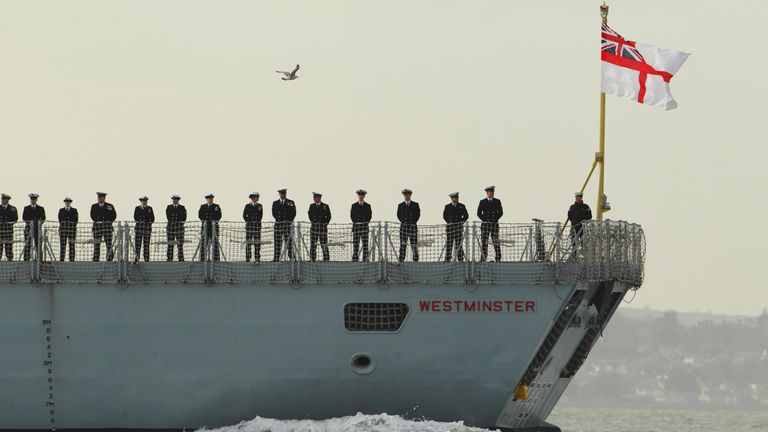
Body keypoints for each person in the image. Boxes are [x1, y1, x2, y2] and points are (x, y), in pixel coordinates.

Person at [477, 186, 503, 262]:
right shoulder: (482, 202)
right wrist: (485, 220)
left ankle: (498, 257)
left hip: (494, 225)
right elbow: (479, 213)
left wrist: (494, 220)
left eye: (492, 192)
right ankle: (483, 257)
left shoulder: (497, 201)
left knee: (495, 241)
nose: (491, 194)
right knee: (484, 242)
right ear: (487, 193)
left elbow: (500, 212)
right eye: (489, 192)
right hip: (485, 225)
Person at [90, 192, 117, 261]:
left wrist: (107, 222)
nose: (99, 199)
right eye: (98, 197)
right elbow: (92, 215)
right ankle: (96, 258)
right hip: (97, 227)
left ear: (104, 198)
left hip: (107, 227)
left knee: (108, 243)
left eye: (100, 197)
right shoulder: (94, 206)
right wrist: (98, 222)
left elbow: (114, 216)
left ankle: (109, 258)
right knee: (96, 244)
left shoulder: (109, 206)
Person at [443, 192, 469, 262]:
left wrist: (460, 222)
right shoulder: (447, 206)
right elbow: (445, 216)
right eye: (455, 198)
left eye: (457, 197)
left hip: (458, 228)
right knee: (449, 243)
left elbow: (466, 216)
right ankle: (447, 258)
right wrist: (449, 222)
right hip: (450, 228)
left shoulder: (462, 206)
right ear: (452, 199)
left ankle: (460, 258)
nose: (456, 199)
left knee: (458, 243)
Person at [272, 189, 296, 261]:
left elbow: (293, 213)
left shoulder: (290, 202)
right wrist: (279, 221)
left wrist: (288, 222)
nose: (283, 195)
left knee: (289, 242)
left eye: (284, 194)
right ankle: (276, 257)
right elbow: (274, 213)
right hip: (278, 225)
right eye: (281, 194)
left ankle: (291, 257)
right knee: (277, 242)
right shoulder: (275, 203)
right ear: (279, 194)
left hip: (287, 225)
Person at [397, 189, 420, 262]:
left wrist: (412, 223)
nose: (406, 196)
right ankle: (401, 259)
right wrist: (404, 223)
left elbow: (417, 215)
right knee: (403, 244)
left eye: (408, 195)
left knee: (414, 244)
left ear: (410, 195)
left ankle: (415, 259)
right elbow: (399, 215)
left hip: (412, 227)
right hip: (404, 228)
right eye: (405, 195)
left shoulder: (415, 205)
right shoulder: (401, 205)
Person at [307, 192, 331, 262]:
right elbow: (310, 215)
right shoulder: (312, 206)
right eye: (314, 198)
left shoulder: (325, 206)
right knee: (313, 244)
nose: (315, 199)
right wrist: (314, 223)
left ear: (319, 198)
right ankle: (313, 258)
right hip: (314, 228)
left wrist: (324, 224)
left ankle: (326, 258)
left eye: (316, 198)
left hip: (322, 228)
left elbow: (329, 216)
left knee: (323, 243)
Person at [22, 193, 46, 261]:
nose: (33, 200)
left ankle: (39, 258)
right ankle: (26, 258)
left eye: (34, 199)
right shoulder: (26, 208)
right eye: (32, 199)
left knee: (38, 244)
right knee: (27, 244)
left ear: (36, 200)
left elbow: (43, 218)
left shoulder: (41, 208)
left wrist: (38, 223)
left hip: (37, 228)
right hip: (28, 228)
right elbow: (24, 217)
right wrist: (30, 223)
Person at [350, 189, 372, 262]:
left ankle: (365, 258)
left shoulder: (367, 206)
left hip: (364, 227)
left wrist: (364, 223)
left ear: (364, 196)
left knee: (365, 244)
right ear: (358, 196)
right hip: (356, 227)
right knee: (356, 244)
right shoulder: (354, 205)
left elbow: (369, 216)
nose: (361, 197)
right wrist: (357, 222)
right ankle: (355, 258)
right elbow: (352, 216)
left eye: (362, 195)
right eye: (360, 195)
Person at [198, 193, 222, 261]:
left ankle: (216, 258)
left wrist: (214, 221)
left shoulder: (216, 206)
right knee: (204, 242)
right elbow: (200, 215)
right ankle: (202, 258)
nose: (210, 199)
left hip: (213, 227)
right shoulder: (203, 207)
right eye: (208, 198)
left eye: (211, 198)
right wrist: (204, 221)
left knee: (215, 242)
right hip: (205, 226)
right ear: (206, 199)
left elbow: (219, 215)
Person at [133, 196, 155, 262]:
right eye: (143, 200)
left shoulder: (149, 208)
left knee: (146, 244)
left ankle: (146, 258)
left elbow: (152, 218)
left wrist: (147, 224)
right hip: (139, 229)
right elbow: (135, 217)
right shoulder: (137, 208)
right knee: (138, 244)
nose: (144, 201)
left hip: (147, 229)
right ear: (141, 201)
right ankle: (137, 258)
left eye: (145, 200)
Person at [243, 192, 263, 262]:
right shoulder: (247, 206)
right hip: (249, 227)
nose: (257, 198)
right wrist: (249, 221)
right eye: (257, 197)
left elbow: (260, 216)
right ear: (253, 198)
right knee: (248, 242)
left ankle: (257, 257)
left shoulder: (260, 206)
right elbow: (244, 215)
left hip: (257, 227)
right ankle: (248, 257)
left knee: (257, 242)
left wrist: (256, 222)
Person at [165, 194, 186, 261]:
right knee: (170, 243)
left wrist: (178, 223)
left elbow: (184, 218)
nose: (175, 200)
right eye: (174, 199)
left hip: (179, 227)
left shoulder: (182, 207)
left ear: (178, 200)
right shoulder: (169, 207)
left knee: (179, 244)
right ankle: (170, 258)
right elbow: (168, 217)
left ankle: (181, 258)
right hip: (171, 227)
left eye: (176, 199)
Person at [58, 197, 78, 262]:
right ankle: (62, 259)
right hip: (63, 230)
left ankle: (71, 259)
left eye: (68, 201)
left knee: (72, 245)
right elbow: (60, 219)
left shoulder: (74, 210)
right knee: (63, 245)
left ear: (70, 202)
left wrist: (71, 226)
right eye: (66, 201)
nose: (67, 203)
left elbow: (76, 220)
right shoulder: (61, 210)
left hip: (71, 230)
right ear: (65, 202)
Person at [0, 194, 18, 261]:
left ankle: (9, 258)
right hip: (0, 229)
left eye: (4, 199)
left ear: (7, 200)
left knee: (9, 245)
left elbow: (15, 218)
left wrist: (8, 222)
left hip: (8, 229)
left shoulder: (12, 209)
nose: (2, 201)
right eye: (2, 199)